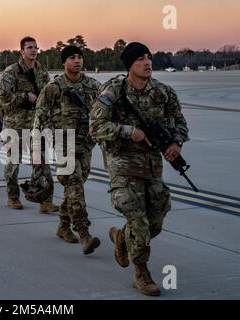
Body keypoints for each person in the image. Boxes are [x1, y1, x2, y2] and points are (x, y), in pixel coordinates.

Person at [90, 42, 189, 296]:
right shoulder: (113, 90)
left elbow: (180, 122)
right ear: (129, 66)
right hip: (122, 164)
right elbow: (96, 126)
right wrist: (128, 131)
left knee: (155, 221)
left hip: (152, 166)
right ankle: (141, 272)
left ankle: (122, 237)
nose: (147, 63)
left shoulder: (162, 92)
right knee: (139, 221)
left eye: (149, 58)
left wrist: (175, 143)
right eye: (140, 59)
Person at [33, 45, 101, 255]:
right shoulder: (53, 88)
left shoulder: (93, 85)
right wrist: (38, 149)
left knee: (75, 186)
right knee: (75, 187)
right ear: (64, 62)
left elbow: (104, 113)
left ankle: (63, 226)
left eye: (80, 57)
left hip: (86, 144)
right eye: (72, 58)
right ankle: (84, 233)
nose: (77, 61)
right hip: (64, 144)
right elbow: (40, 118)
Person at [0, 36, 59, 212]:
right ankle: (13, 196)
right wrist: (25, 97)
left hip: (36, 124)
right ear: (22, 51)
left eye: (35, 48)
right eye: (29, 47)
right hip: (15, 123)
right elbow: (3, 98)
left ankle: (45, 200)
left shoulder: (42, 71)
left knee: (41, 162)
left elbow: (48, 95)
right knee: (13, 162)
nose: (33, 50)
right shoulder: (11, 72)